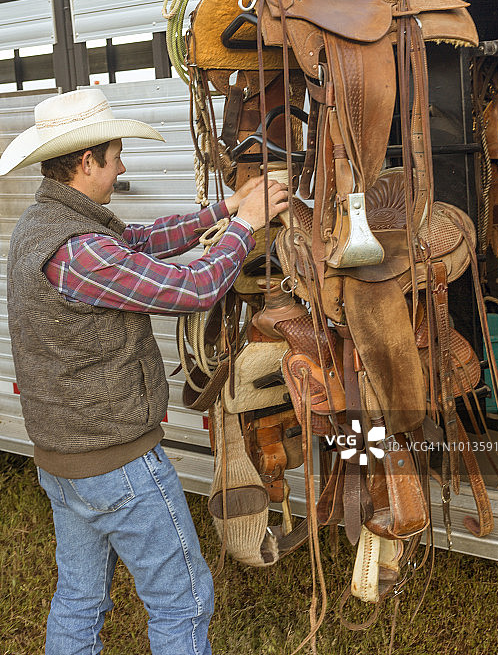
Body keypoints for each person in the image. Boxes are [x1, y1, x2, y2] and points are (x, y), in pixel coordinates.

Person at [0, 88, 288, 655]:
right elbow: (197, 287)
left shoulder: (46, 225)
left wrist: (224, 212)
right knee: (183, 601)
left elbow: (139, 244)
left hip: (66, 460)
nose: (123, 164)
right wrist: (247, 226)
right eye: (116, 155)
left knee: (80, 599)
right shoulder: (80, 249)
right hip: (117, 464)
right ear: (87, 163)